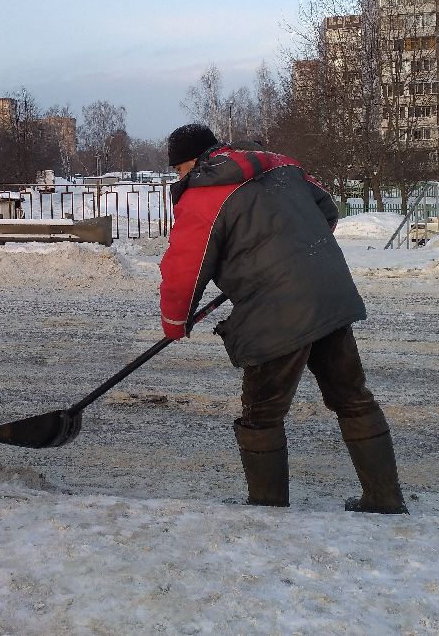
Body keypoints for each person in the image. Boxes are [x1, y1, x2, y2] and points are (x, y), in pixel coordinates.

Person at [158, 123, 407, 513]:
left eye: (177, 170)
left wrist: (174, 322)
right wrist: (290, 251)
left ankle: (267, 507)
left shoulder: (205, 191)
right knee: (352, 398)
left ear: (189, 160)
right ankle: (385, 498)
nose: (178, 177)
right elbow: (327, 209)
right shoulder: (278, 166)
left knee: (261, 412)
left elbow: (184, 268)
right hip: (327, 292)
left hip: (277, 309)